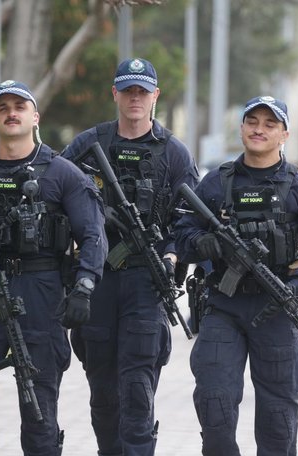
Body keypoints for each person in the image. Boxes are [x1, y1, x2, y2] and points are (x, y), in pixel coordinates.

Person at [0, 79, 107, 456]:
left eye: (19, 106)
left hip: (41, 296)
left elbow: (94, 236)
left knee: (39, 412)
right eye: (3, 108)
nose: (11, 113)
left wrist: (84, 287)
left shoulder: (62, 174)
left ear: (35, 117)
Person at [174, 95, 298, 456]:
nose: (259, 129)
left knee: (278, 422)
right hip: (223, 306)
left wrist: (296, 286)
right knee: (214, 406)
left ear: (285, 134)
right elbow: (182, 235)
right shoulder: (215, 184)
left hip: (276, 310)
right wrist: (203, 243)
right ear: (241, 128)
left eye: (269, 124)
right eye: (252, 122)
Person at [61, 57, 199, 455]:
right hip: (98, 278)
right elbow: (54, 192)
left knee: (137, 390)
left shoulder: (173, 153)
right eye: (128, 91)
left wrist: (172, 257)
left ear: (155, 96)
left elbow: (188, 219)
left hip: (146, 281)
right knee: (104, 394)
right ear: (115, 94)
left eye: (142, 91)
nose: (135, 98)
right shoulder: (89, 146)